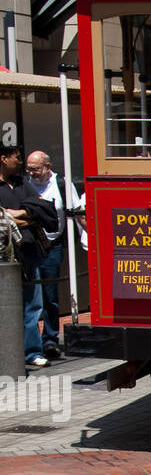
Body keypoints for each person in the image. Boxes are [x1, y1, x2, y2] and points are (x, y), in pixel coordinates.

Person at [0, 144, 58, 368]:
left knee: (33, 304)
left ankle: (32, 351)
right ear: (4, 158)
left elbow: (45, 211)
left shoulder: (23, 183)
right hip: (5, 256)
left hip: (29, 252)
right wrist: (27, 215)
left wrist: (14, 215)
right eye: (17, 158)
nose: (21, 163)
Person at [24, 150, 82, 358]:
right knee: (31, 295)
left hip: (53, 245)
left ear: (48, 167)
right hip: (32, 244)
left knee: (49, 294)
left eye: (36, 169)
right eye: (29, 169)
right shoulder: (25, 184)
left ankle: (49, 339)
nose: (32, 173)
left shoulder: (62, 185)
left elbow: (76, 211)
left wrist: (90, 236)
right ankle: (30, 341)